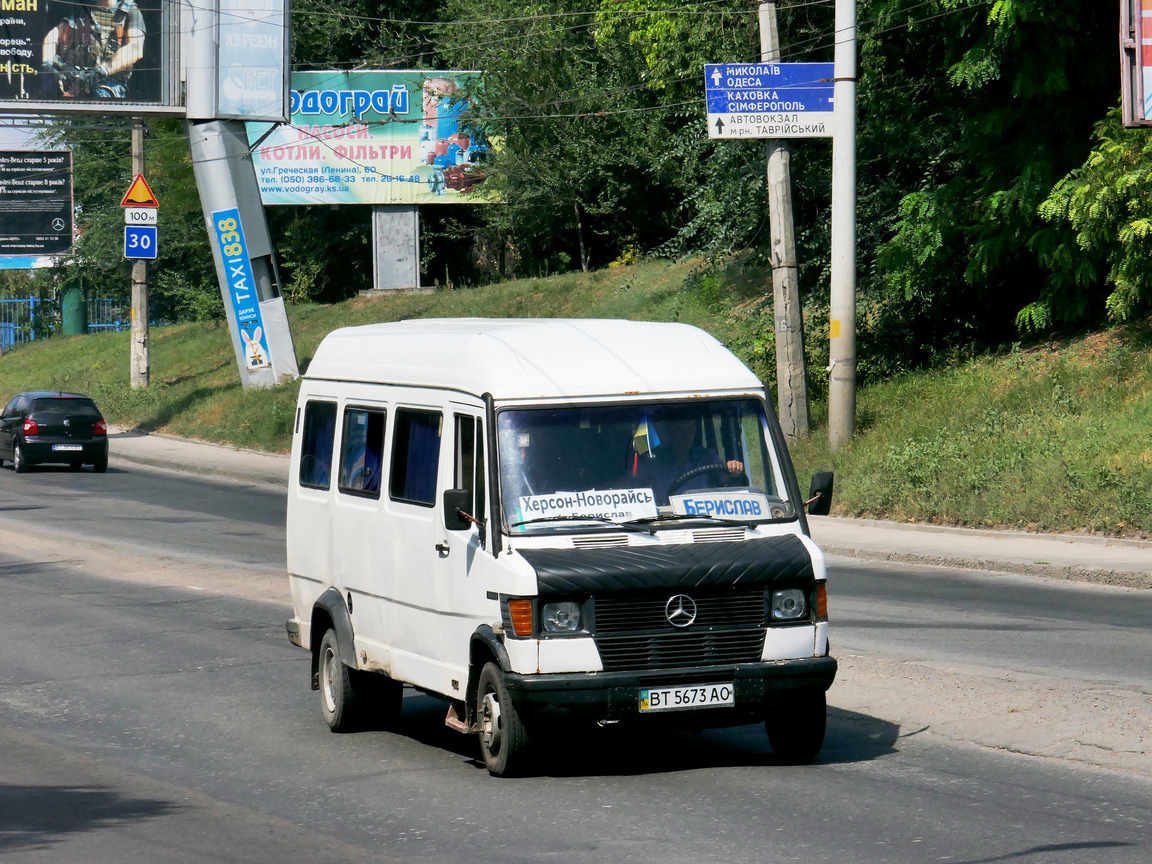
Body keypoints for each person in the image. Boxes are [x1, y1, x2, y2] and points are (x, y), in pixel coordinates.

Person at [628, 407, 744, 505]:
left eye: (691, 429)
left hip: (705, 521)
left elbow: (724, 479)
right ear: (670, 431)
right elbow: (627, 489)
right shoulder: (653, 463)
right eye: (681, 430)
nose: (687, 435)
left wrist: (733, 470)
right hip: (665, 525)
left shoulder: (708, 458)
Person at [41, 0, 146, 99]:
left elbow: (135, 48)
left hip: (107, 84)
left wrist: (101, 71)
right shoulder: (83, 8)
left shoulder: (129, 11)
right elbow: (55, 35)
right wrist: (47, 64)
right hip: (74, 81)